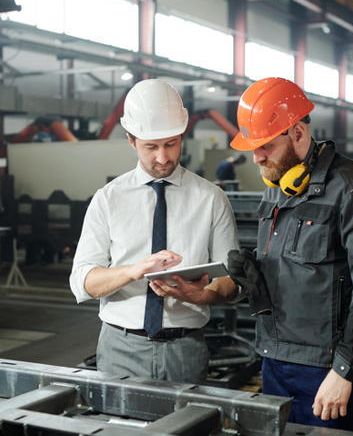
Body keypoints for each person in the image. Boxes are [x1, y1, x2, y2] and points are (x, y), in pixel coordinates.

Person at [227, 77, 353, 432]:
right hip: (274, 361)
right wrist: (254, 279)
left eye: (264, 145)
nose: (256, 156)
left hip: (326, 370)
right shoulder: (277, 188)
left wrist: (345, 369)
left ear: (296, 133)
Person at [70, 79, 240, 385]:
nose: (163, 157)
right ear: (131, 141)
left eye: (171, 144)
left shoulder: (211, 198)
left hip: (185, 348)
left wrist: (203, 294)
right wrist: (136, 270)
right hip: (120, 347)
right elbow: (83, 282)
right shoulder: (108, 199)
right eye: (151, 147)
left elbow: (233, 281)